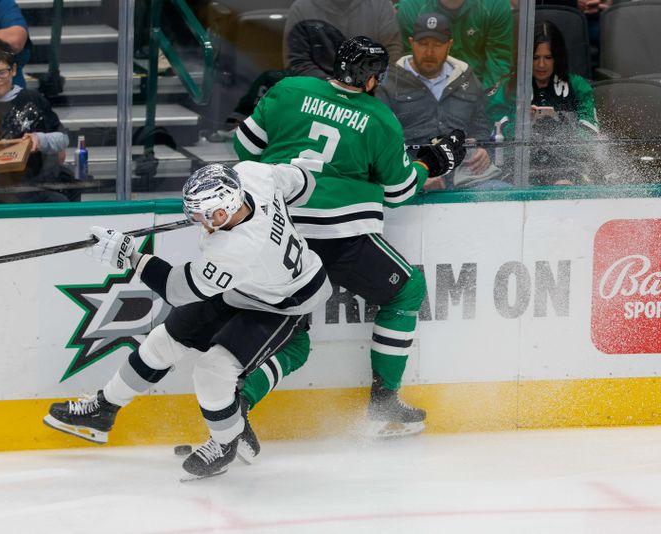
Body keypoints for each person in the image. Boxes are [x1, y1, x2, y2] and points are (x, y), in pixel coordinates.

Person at [233, 36, 466, 452]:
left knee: (293, 338)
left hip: (274, 231)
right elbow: (398, 191)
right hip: (339, 236)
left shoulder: (290, 89)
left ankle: (233, 407)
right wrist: (432, 161)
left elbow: (245, 148)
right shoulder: (379, 119)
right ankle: (383, 403)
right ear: (373, 78)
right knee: (407, 290)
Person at [43, 161, 332, 480]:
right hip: (249, 284)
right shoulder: (253, 175)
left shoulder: (236, 248)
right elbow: (305, 184)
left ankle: (225, 443)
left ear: (222, 214)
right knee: (161, 342)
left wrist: (129, 256)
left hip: (285, 302)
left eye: (201, 216)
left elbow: (176, 290)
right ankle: (104, 410)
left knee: (213, 371)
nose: (196, 221)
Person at [377, 13, 509, 191]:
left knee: (502, 193)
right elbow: (380, 143)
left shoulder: (467, 79)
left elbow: (480, 130)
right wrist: (414, 174)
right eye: (423, 44)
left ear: (450, 45)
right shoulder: (388, 82)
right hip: (409, 181)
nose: (430, 52)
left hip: (466, 182)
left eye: (438, 45)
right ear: (411, 43)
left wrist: (482, 150)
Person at [487, 20, 599, 185]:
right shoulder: (508, 88)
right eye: (535, 57)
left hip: (568, 171)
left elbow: (590, 143)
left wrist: (560, 127)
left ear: (558, 57)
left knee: (565, 188)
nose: (541, 64)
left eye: (548, 57)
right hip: (517, 173)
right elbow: (491, 141)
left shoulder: (579, 87)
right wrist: (518, 122)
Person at [0, 39, 78, 203]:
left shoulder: (32, 98)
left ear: (14, 70)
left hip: (31, 186)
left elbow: (63, 139)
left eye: (2, 72)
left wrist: (39, 139)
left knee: (58, 201)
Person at [396, 0, 513, 91]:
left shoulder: (495, 4)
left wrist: (482, 103)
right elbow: (409, 65)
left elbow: (499, 65)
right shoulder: (411, 6)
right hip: (428, 90)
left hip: (480, 90)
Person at [283, 0, 403, 79]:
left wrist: (370, 81)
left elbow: (392, 50)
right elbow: (296, 61)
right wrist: (331, 86)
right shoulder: (301, 8)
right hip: (318, 95)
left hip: (369, 92)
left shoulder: (380, 5)